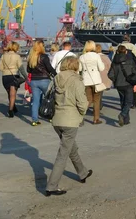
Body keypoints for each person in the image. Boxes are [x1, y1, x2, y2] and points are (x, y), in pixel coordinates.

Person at [45, 56, 92, 196]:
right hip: (70, 121)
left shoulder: (56, 78)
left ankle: (82, 173)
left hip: (56, 120)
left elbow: (48, 95)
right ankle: (51, 186)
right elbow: (82, 104)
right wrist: (83, 112)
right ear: (76, 66)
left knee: (71, 148)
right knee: (63, 154)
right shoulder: (77, 81)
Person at [27, 40, 57, 126]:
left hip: (34, 81)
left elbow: (28, 70)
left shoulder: (31, 57)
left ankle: (34, 120)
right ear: (41, 46)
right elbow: (49, 68)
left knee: (35, 101)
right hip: (44, 80)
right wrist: (56, 74)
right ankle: (51, 117)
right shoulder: (44, 56)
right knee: (50, 99)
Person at [108, 45, 136, 126]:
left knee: (123, 101)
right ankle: (122, 115)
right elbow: (135, 73)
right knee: (128, 101)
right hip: (128, 84)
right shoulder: (129, 60)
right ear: (125, 51)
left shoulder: (114, 61)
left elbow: (110, 74)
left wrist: (115, 80)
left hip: (119, 84)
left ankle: (126, 119)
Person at [78, 41, 105, 125]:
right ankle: (96, 119)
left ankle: (80, 117)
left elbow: (79, 69)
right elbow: (101, 68)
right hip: (95, 80)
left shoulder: (82, 57)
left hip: (86, 80)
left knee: (88, 100)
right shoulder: (96, 56)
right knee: (97, 100)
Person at [0, 42, 28, 118]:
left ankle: (13, 107)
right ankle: (10, 110)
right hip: (14, 76)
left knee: (9, 93)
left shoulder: (3, 56)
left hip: (5, 77)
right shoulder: (17, 56)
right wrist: (26, 77)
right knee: (13, 94)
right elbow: (21, 68)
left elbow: (0, 68)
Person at [120, 35, 136, 107]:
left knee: (123, 86)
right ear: (129, 39)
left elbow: (114, 59)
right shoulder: (133, 47)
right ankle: (135, 102)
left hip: (121, 70)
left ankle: (124, 103)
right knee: (134, 86)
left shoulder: (119, 46)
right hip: (132, 69)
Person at [96, 44, 112, 113]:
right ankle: (99, 104)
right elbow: (109, 66)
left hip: (95, 76)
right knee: (100, 91)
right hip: (103, 76)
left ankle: (98, 104)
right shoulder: (105, 57)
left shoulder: (93, 56)